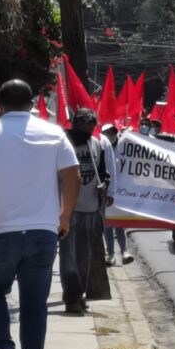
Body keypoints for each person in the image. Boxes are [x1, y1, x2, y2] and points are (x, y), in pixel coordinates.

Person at [0, 80, 81, 349]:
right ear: (32, 104)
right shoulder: (54, 134)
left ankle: (3, 346)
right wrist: (64, 217)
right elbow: (73, 177)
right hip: (43, 232)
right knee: (35, 304)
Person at [61, 109, 113, 314]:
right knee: (68, 254)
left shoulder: (97, 144)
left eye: (92, 126)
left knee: (85, 255)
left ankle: (80, 293)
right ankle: (71, 297)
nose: (88, 130)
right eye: (84, 126)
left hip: (90, 208)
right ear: (75, 124)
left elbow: (103, 173)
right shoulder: (63, 143)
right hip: (68, 208)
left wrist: (105, 186)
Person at [100, 124, 132, 266]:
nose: (109, 135)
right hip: (106, 191)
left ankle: (124, 252)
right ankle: (110, 254)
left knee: (119, 224)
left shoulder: (124, 149)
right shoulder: (101, 147)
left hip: (121, 192)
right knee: (107, 225)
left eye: (112, 132)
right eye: (106, 132)